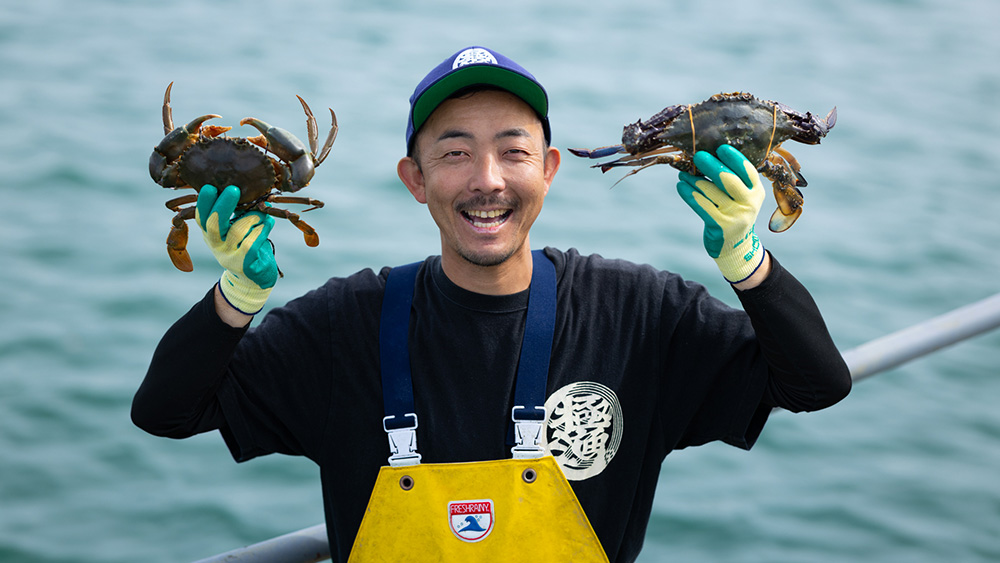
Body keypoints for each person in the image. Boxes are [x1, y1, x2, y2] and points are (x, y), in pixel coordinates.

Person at [133, 46, 851, 562]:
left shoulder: (637, 315)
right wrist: (235, 296)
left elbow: (815, 383)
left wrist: (747, 263)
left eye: (513, 151)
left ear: (549, 168)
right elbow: (167, 411)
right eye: (453, 153)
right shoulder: (341, 326)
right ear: (414, 179)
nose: (486, 179)